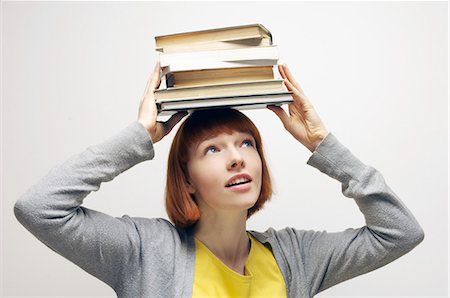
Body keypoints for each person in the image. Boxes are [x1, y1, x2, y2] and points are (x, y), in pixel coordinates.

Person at [14, 63, 424, 298]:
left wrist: (322, 144)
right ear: (187, 179)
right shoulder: (142, 252)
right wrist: (140, 136)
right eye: (213, 149)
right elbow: (40, 208)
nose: (236, 158)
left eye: (247, 144)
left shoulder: (296, 256)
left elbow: (400, 233)